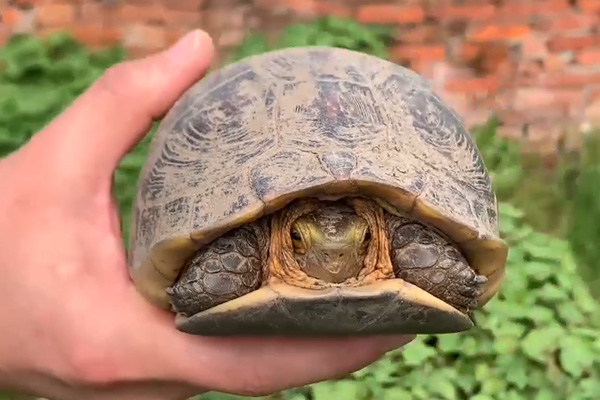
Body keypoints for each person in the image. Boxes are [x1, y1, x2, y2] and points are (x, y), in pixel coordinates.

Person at [0, 30, 413, 400]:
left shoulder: (399, 239)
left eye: (362, 242)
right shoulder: (241, 252)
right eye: (299, 241)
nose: (335, 257)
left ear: (374, 237)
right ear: (284, 237)